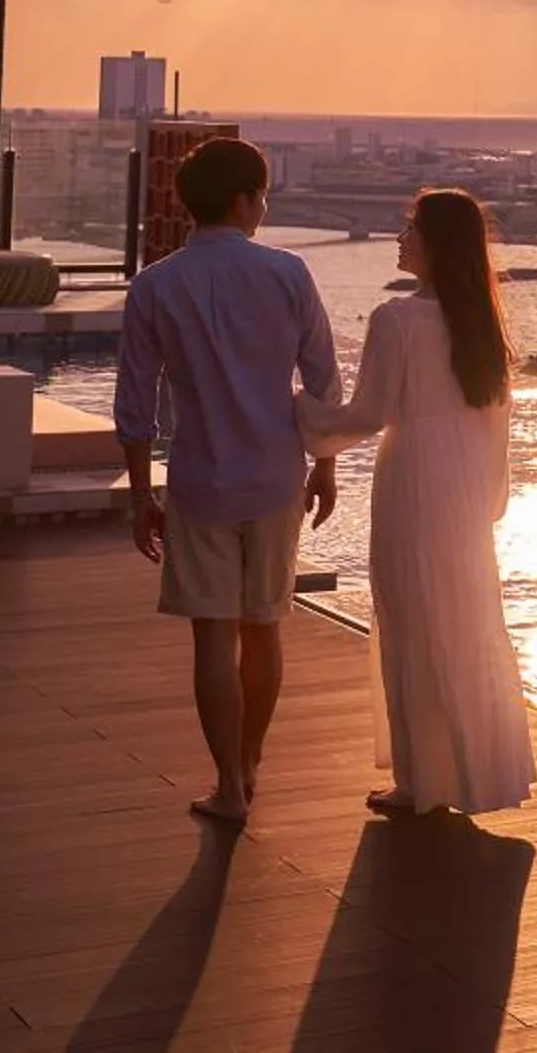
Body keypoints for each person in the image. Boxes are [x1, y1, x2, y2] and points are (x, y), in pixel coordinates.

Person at [113, 135, 341, 828]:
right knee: (265, 628)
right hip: (276, 479)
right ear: (245, 200)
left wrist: (140, 494)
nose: (263, 206)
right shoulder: (288, 273)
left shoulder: (157, 284)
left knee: (213, 637)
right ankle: (250, 761)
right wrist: (326, 463)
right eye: (262, 194)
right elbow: (324, 380)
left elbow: (135, 400)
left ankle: (228, 789)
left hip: (201, 481)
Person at [299, 187, 536, 816]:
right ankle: (476, 772)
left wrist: (300, 413)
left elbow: (369, 413)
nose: (400, 237)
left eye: (410, 228)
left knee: (410, 617)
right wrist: (489, 497)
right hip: (462, 481)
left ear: (434, 244)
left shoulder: (397, 320)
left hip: (413, 476)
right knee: (464, 621)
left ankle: (420, 781)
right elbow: (497, 422)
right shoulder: (481, 321)